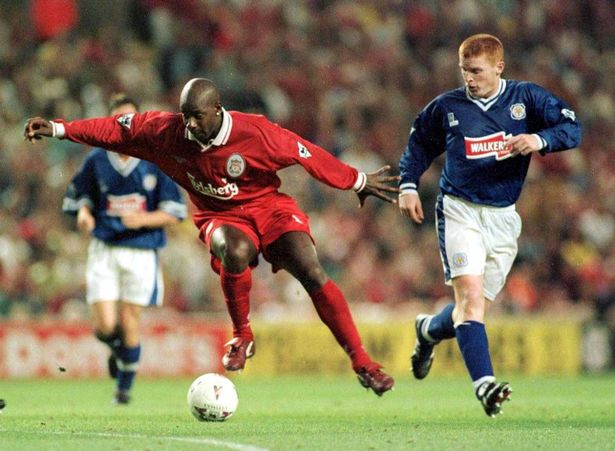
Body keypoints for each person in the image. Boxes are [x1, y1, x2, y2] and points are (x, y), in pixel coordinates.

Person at [25, 78, 399, 396]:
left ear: (217, 109)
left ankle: (362, 362)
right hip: (218, 215)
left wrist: (357, 180)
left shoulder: (257, 132)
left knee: (310, 268)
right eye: (185, 115)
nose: (189, 124)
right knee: (233, 250)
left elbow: (308, 154)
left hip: (269, 207)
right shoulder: (165, 130)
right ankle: (241, 335)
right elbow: (112, 130)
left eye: (197, 116)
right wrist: (59, 129)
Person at [398, 34, 582, 416]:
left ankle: (428, 330)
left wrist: (538, 138)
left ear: (499, 67)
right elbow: (419, 145)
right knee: (470, 300)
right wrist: (408, 185)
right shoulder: (448, 107)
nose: (469, 78)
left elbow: (573, 128)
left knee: (472, 306)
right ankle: (485, 386)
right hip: (459, 209)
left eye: (476, 71)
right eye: (464, 70)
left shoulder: (526, 99)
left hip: (503, 216)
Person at [61, 94, 187, 404]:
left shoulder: (156, 160)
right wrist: (84, 213)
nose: (125, 128)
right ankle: (118, 350)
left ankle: (123, 391)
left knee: (130, 319)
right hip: (105, 246)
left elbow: (174, 211)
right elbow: (80, 197)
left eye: (130, 120)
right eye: (118, 122)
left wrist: (142, 219)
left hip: (141, 251)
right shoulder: (96, 160)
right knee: (105, 326)